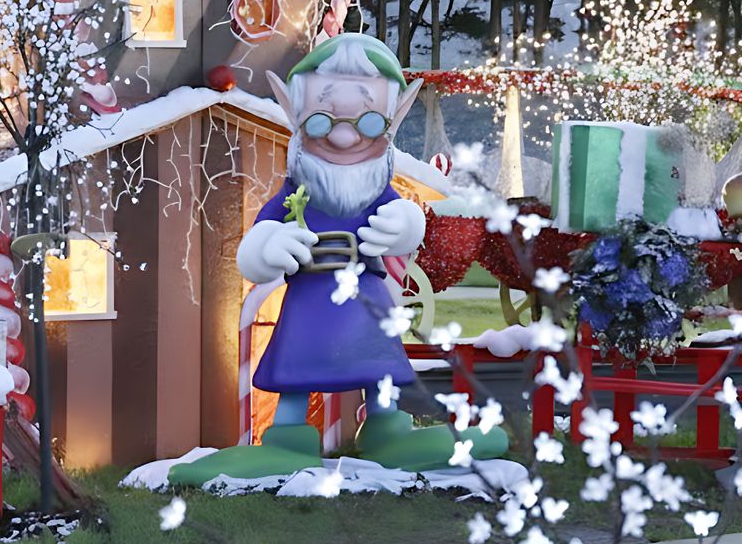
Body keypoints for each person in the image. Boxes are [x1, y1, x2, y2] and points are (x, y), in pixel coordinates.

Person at [169, 33, 507, 486]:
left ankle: (387, 430)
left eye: (366, 122)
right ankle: (287, 436)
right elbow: (257, 244)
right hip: (309, 299)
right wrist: (269, 247)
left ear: (389, 121)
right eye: (323, 121)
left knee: (379, 366)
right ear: (298, 115)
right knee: (296, 364)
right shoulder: (299, 192)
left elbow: (408, 218)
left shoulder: (376, 189)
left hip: (365, 298)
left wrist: (405, 225)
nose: (344, 134)